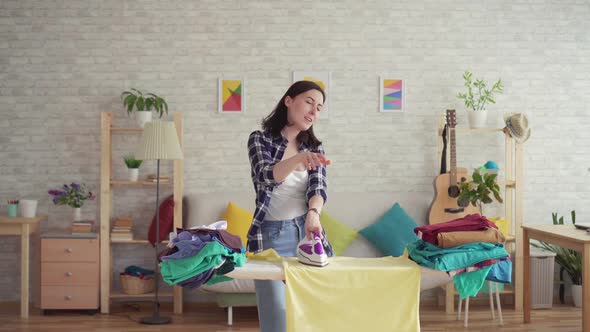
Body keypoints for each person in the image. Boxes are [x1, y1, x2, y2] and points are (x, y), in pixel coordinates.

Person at [246, 80, 334, 332]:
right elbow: (266, 175)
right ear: (288, 101)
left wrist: (314, 214)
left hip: (306, 231)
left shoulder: (314, 148)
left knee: (314, 310)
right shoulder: (259, 140)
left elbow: (318, 189)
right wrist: (298, 159)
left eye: (319, 107)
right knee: (276, 316)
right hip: (271, 235)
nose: (314, 111)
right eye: (308, 102)